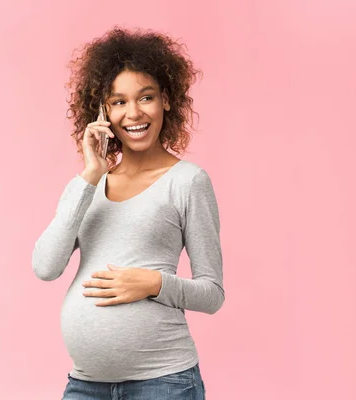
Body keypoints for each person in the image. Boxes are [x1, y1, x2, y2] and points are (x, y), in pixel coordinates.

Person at [31, 26, 224, 400]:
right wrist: (90, 174)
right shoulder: (88, 185)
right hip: (85, 384)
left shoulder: (188, 182)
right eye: (118, 102)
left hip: (164, 382)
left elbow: (212, 293)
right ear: (102, 110)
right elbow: (45, 266)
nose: (133, 113)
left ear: (166, 100)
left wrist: (153, 284)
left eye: (146, 97)